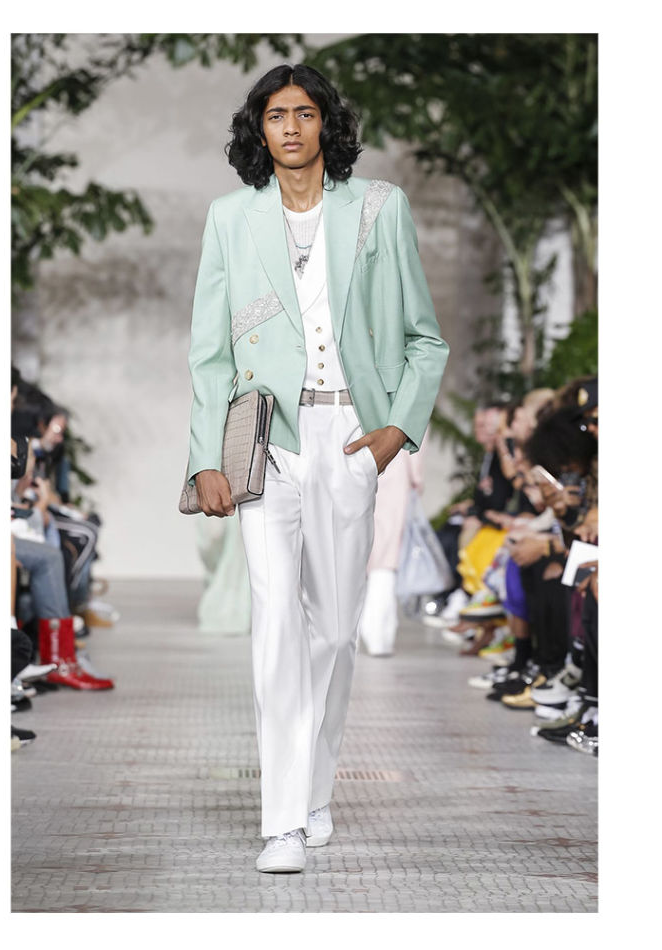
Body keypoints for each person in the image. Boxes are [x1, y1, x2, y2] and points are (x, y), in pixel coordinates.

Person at [184, 63, 449, 873]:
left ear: (325, 123)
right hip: (265, 438)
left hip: (349, 435)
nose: (291, 127)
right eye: (276, 115)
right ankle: (282, 824)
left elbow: (423, 337)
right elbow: (209, 353)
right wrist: (205, 460)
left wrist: (394, 429)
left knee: (333, 629)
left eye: (304, 113)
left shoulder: (376, 207)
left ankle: (315, 789)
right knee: (274, 622)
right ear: (258, 129)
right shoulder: (231, 218)